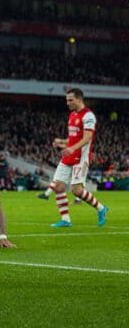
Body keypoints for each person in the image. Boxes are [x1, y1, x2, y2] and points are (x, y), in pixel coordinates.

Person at [49, 88, 109, 228]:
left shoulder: (88, 116)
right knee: (58, 186)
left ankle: (101, 208)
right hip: (69, 155)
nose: (67, 103)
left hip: (81, 158)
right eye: (66, 100)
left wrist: (71, 148)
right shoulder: (72, 115)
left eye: (70, 100)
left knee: (76, 191)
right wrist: (62, 143)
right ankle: (66, 220)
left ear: (79, 99)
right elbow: (73, 138)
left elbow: (87, 138)